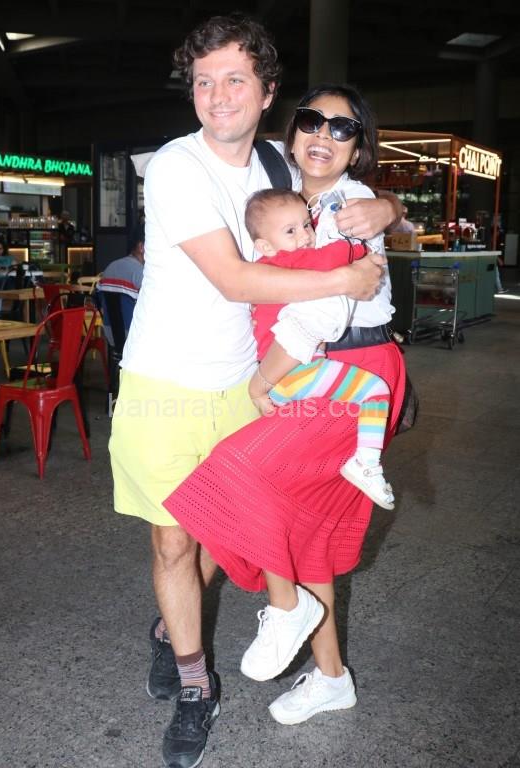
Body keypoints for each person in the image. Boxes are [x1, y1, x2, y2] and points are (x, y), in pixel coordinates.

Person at [108, 16, 400, 768]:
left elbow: (338, 194)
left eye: (235, 78)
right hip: (168, 377)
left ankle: (177, 627)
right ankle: (194, 681)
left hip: (251, 380)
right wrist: (343, 278)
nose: (217, 95)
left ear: (267, 93)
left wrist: (388, 210)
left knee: (224, 529)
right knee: (173, 538)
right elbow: (237, 279)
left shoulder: (275, 162)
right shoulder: (175, 167)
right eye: (203, 81)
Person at [163, 82, 406, 727]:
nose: (323, 135)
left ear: (358, 146)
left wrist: (261, 381)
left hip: (347, 367)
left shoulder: (349, 209)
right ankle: (332, 678)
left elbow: (321, 313)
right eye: (311, 121)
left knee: (238, 469)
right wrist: (396, 204)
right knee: (308, 534)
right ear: (292, 130)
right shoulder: (293, 191)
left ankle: (288, 609)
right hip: (320, 370)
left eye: (342, 128)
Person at [245, 189, 395, 510]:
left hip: (286, 373)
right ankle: (367, 463)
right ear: (265, 246)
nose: (305, 236)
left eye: (306, 225)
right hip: (296, 370)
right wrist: (358, 248)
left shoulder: (268, 269)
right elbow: (329, 258)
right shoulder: (286, 262)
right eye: (291, 231)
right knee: (376, 392)